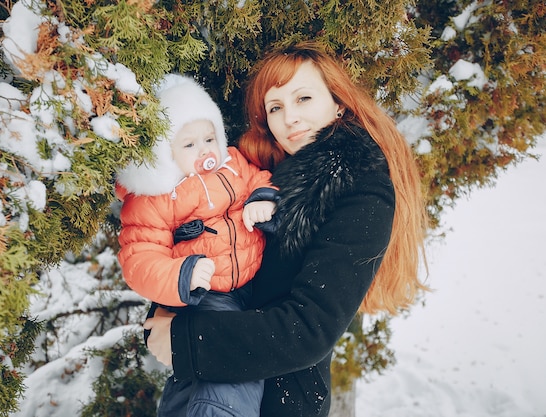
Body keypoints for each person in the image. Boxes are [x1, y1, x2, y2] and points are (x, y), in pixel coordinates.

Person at [143, 41, 429, 417]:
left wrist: (185, 342)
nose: (289, 117)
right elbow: (208, 244)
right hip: (207, 384)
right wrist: (169, 300)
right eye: (275, 107)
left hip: (281, 401)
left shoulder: (363, 189)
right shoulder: (259, 174)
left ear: (338, 101)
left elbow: (309, 328)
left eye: (304, 98)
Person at [115, 74, 278, 416]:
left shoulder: (234, 164)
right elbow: (140, 258)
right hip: (209, 296)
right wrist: (181, 275)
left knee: (194, 378)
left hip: (253, 285)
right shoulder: (156, 198)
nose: (204, 150)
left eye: (209, 137)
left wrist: (262, 200)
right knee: (232, 363)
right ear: (165, 154)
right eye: (189, 145)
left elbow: (261, 180)